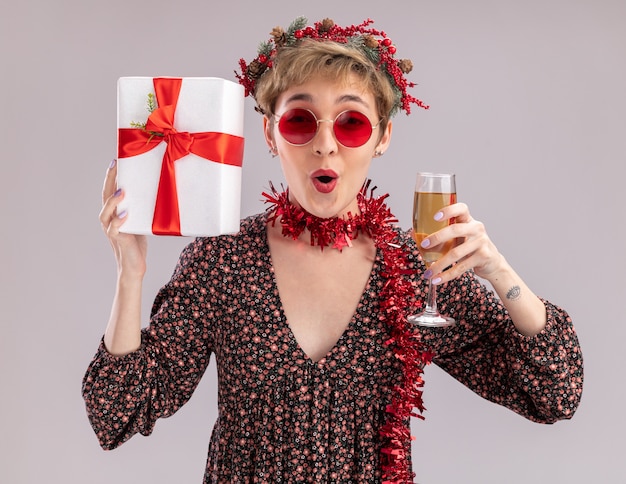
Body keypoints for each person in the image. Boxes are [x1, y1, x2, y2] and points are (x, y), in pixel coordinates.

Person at [83, 17, 583, 483]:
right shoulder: (222, 262)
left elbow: (555, 393)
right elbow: (117, 412)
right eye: (301, 120)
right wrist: (131, 273)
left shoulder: (414, 271)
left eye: (350, 124)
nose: (326, 144)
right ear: (270, 135)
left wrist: (499, 272)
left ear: (382, 137)